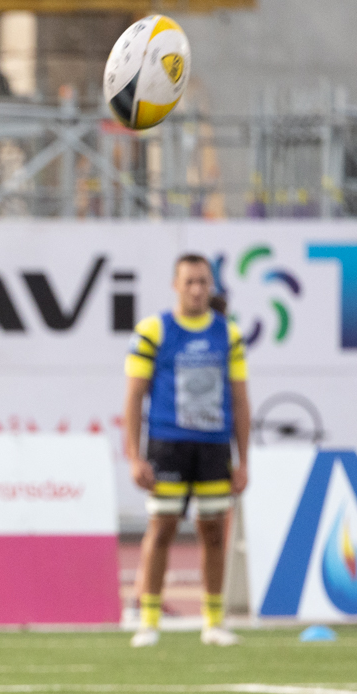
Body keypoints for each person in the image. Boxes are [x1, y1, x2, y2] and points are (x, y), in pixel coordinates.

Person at [123, 253, 249, 647]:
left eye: (203, 282)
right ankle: (148, 619)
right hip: (168, 445)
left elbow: (241, 400)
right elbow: (133, 397)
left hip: (213, 447)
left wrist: (243, 458)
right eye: (189, 281)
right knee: (162, 529)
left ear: (212, 286)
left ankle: (213, 621)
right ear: (175, 285)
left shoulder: (227, 334)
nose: (197, 289)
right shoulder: (153, 330)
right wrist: (133, 454)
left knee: (213, 532)